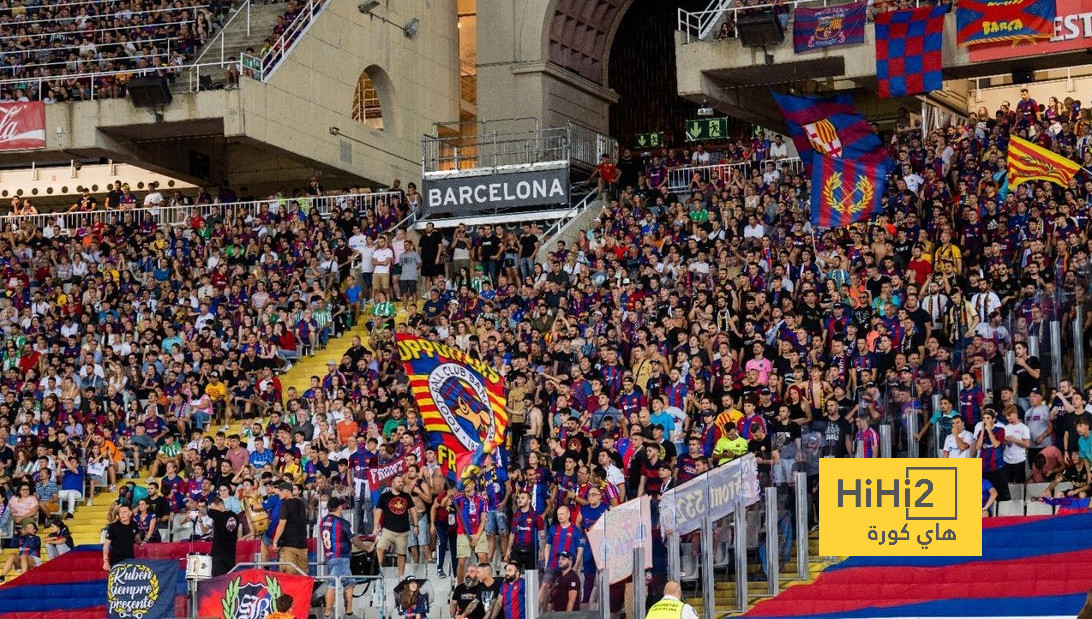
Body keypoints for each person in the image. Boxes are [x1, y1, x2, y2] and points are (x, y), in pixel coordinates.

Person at [320, 497, 357, 617]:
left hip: (329, 557)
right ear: (339, 507)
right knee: (333, 584)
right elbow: (354, 540)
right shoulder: (342, 522)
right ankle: (328, 614)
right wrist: (367, 548)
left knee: (349, 583)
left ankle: (349, 612)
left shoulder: (322, 521)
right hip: (341, 558)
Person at [374, 474, 417, 579]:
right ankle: (379, 571)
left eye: (402, 482)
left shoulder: (406, 496)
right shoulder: (384, 496)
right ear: (393, 483)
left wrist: (416, 525)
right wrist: (375, 526)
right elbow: (378, 512)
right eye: (399, 482)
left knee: (402, 554)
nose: (401, 483)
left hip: (403, 531)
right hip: (387, 529)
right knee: (379, 548)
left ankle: (401, 576)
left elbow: (413, 511)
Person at [271, 482, 308, 576]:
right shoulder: (301, 503)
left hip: (288, 546)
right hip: (302, 545)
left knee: (288, 577)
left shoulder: (284, 505)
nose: (278, 493)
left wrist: (275, 541)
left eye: (279, 491)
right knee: (302, 577)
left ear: (286, 491)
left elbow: (281, 525)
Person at [208, 496, 240, 576]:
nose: (213, 511)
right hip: (231, 554)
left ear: (221, 506)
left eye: (214, 508)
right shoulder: (235, 516)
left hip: (219, 555)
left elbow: (207, 512)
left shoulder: (219, 516)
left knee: (218, 582)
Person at [103, 504, 140, 569]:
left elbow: (137, 537)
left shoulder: (134, 524)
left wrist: (140, 543)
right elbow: (106, 545)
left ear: (130, 513)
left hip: (130, 560)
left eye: (124, 512)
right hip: (116, 560)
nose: (122, 514)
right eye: (120, 512)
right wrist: (105, 561)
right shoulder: (113, 527)